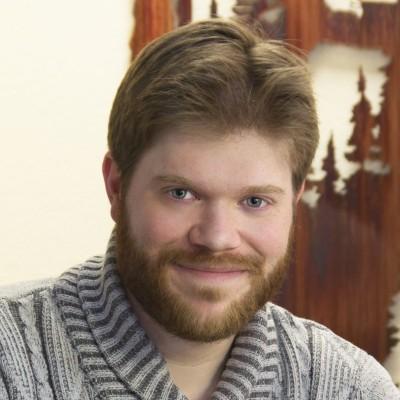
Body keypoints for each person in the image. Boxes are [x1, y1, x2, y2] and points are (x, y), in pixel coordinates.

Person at [0, 19, 398, 400]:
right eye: (181, 193)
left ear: (294, 204)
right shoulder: (9, 360)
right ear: (116, 188)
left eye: (255, 201)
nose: (217, 238)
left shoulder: (354, 388)